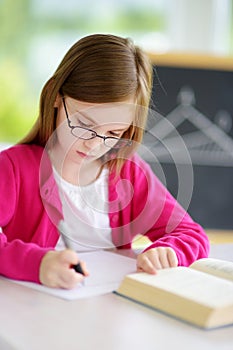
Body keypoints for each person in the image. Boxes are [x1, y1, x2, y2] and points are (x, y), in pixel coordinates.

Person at [0, 33, 209, 289]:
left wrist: (168, 251)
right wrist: (37, 264)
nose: (94, 144)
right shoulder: (13, 168)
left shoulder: (128, 172)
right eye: (83, 125)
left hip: (109, 315)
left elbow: (191, 234)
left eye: (113, 133)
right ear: (56, 96)